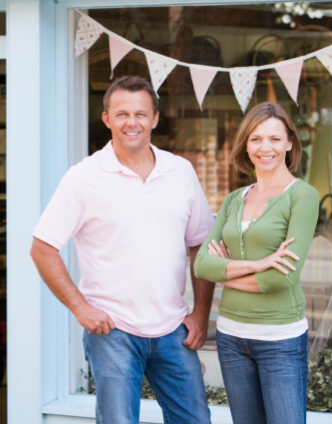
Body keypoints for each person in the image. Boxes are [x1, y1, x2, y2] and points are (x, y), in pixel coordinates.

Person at [30, 75, 215, 424]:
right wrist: (80, 307)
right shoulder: (83, 177)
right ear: (107, 119)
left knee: (196, 420)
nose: (132, 122)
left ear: (155, 118)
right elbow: (42, 248)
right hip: (112, 330)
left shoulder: (180, 172)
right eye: (122, 114)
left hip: (173, 328)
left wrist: (202, 312)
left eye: (141, 114)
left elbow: (200, 247)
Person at [194, 102, 319, 424]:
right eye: (256, 139)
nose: (266, 148)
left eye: (275, 139)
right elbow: (201, 266)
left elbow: (281, 279)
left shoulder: (301, 196)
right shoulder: (236, 198)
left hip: (280, 339)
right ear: (246, 145)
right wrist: (262, 263)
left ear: (290, 142)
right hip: (231, 335)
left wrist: (225, 274)